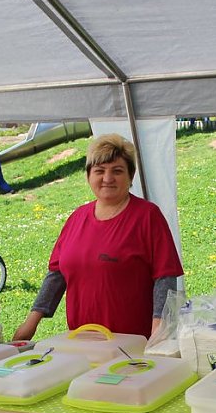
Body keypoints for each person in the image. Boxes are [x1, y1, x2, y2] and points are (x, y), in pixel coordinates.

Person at [13, 134, 183, 341]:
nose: (108, 178)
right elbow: (56, 275)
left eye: (117, 171)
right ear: (88, 176)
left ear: (131, 177)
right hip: (82, 341)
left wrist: (159, 331)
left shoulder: (147, 216)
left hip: (133, 344)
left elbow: (165, 277)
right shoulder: (77, 218)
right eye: (99, 171)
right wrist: (31, 323)